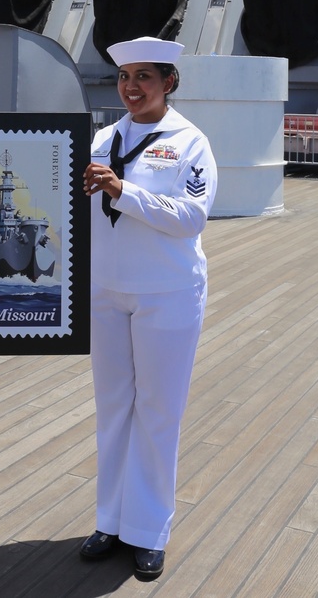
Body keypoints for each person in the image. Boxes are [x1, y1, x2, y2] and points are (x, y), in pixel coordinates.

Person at [80, 36, 217, 583]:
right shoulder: (102, 138)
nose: (132, 88)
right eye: (125, 77)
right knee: (113, 409)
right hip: (107, 292)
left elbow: (191, 217)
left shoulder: (190, 142)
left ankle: (149, 530)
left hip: (167, 292)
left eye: (145, 77)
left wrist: (124, 191)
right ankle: (110, 521)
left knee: (158, 413)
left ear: (169, 83)